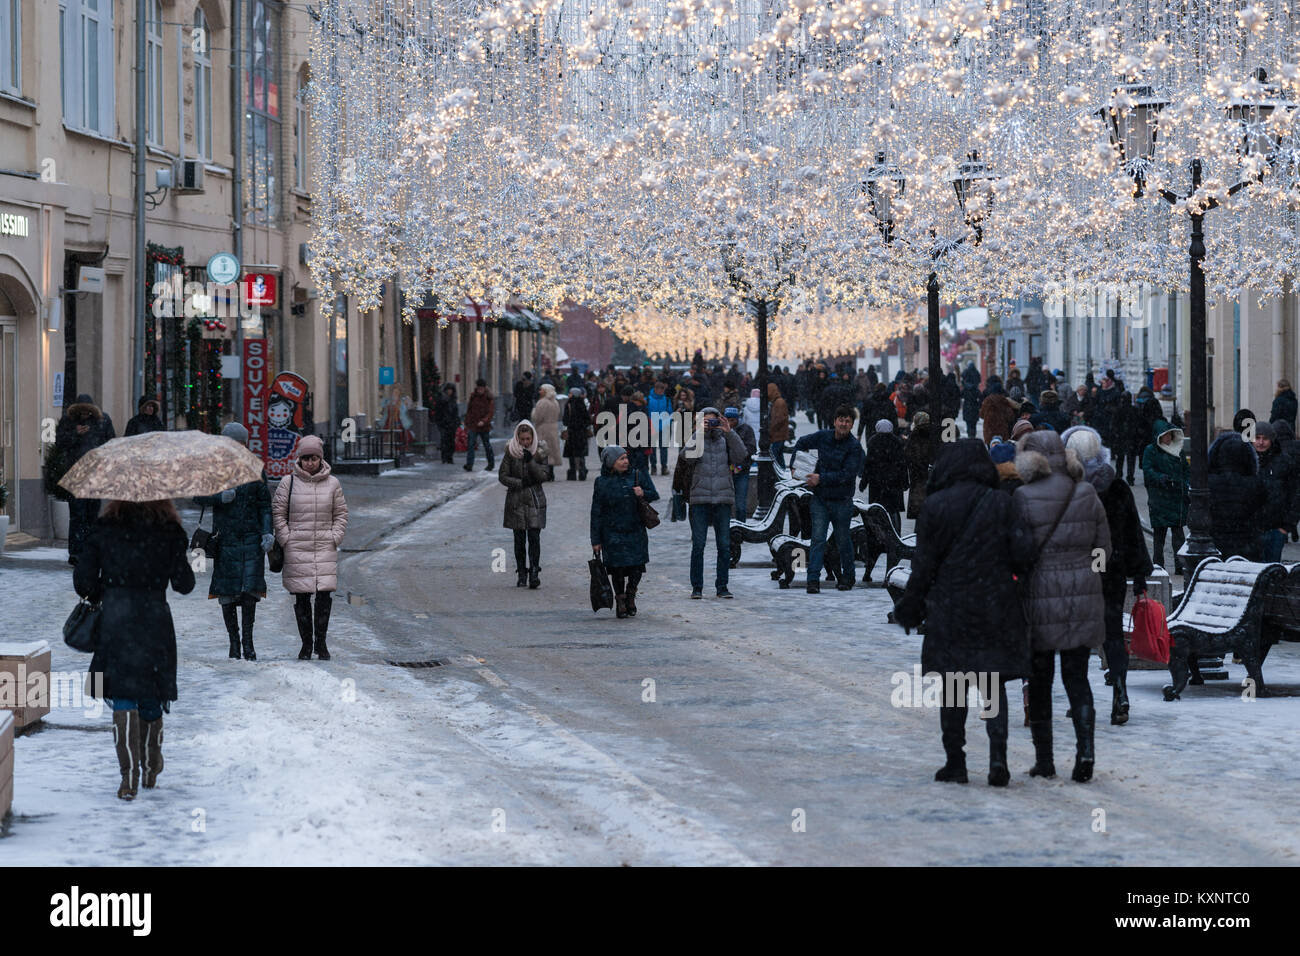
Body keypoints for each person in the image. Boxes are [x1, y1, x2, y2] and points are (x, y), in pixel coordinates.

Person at [895, 441, 1032, 785]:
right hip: (995, 605)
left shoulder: (936, 506)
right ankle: (998, 759)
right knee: (991, 683)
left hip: (951, 607)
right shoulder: (1002, 502)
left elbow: (923, 565)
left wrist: (911, 605)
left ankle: (955, 760)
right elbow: (1023, 555)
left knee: (954, 685)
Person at [75, 498, 195, 800]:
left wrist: (110, 585)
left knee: (122, 693)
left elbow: (83, 582)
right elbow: (184, 584)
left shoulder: (104, 529)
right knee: (152, 691)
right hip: (155, 621)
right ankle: (152, 763)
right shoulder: (170, 531)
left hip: (116, 621)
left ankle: (128, 777)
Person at [1013, 430, 1110, 782]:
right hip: (1082, 598)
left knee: (1039, 682)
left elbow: (1018, 554)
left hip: (1039, 600)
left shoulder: (1022, 496)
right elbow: (1104, 550)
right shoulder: (1086, 493)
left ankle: (1045, 760)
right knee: (1078, 678)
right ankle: (1086, 752)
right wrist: (1087, 576)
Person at [1064, 426, 1152, 728]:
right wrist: (1139, 571)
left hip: (1076, 574)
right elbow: (1133, 533)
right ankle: (1120, 693)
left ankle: (1079, 699)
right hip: (1110, 572)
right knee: (1113, 636)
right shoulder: (1116, 486)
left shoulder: (1067, 486)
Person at [193, 423, 274, 661]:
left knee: (250, 592)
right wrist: (219, 497)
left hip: (251, 538)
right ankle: (234, 644)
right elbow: (197, 495)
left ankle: (248, 643)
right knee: (227, 592)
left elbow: (264, 504)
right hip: (225, 538)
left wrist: (267, 532)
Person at [273, 435, 349, 660]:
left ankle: (321, 644)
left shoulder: (333, 483)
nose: (310, 463)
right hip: (298, 547)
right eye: (305, 458)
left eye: (314, 458)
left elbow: (341, 513)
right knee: (302, 597)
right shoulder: (289, 482)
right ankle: (306, 645)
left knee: (324, 596)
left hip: (324, 546)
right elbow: (278, 512)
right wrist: (286, 538)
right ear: (300, 459)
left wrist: (335, 537)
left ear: (320, 458)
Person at [673, 406, 747, 599]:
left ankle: (722, 586)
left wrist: (730, 433)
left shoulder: (725, 439)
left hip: (723, 499)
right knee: (698, 545)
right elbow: (686, 457)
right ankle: (697, 587)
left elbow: (741, 456)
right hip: (700, 498)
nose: (711, 424)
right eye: (707, 420)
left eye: (714, 420)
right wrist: (699, 432)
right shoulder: (695, 439)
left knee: (724, 545)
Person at [792, 406, 866, 593]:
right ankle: (813, 581)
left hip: (842, 500)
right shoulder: (823, 437)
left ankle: (847, 578)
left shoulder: (854, 447)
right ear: (834, 421)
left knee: (843, 540)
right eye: (841, 419)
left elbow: (847, 475)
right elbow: (801, 442)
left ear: (852, 425)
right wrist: (796, 467)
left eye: (847, 421)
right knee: (818, 539)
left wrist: (821, 478)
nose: (843, 424)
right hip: (821, 499)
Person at [590, 445, 659, 617]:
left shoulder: (637, 475)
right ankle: (620, 600)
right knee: (617, 569)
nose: (625, 461)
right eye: (621, 459)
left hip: (635, 530)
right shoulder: (601, 482)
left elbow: (653, 494)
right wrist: (596, 540)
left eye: (626, 457)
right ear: (610, 462)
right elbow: (596, 512)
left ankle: (631, 595)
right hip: (612, 533)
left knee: (636, 567)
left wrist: (643, 492)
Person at [56, 394, 117, 564]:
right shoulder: (68, 422)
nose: (84, 414)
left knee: (91, 514)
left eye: (87, 411)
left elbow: (111, 444)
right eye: (81, 412)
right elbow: (60, 443)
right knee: (77, 515)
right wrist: (75, 434)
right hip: (75, 474)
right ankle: (76, 553)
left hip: (95, 474)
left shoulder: (103, 421)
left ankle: (90, 551)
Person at [499, 420, 551, 588]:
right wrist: (520, 483)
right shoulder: (511, 452)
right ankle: (522, 572)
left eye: (528, 439)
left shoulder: (540, 452)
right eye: (522, 439)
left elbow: (544, 475)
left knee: (534, 538)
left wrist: (531, 462)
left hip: (535, 500)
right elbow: (503, 476)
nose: (526, 442)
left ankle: (534, 571)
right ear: (517, 438)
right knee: (519, 539)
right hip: (516, 501)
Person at [1208, 430, 1266, 561]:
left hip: (1216, 545)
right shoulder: (1254, 484)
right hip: (1247, 545)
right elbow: (1262, 513)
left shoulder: (1208, 483)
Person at [1142, 420, 1191, 574]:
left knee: (1178, 535)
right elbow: (1147, 470)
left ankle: (1180, 565)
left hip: (1176, 497)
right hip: (1160, 498)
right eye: (1165, 435)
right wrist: (1160, 478)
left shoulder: (1178, 449)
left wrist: (1187, 484)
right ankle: (1158, 565)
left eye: (1169, 434)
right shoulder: (1151, 450)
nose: (1168, 437)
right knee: (1159, 535)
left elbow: (1185, 470)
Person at [1254, 422, 1298, 562]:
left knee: (1272, 573)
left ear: (1272, 440)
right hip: (1251, 530)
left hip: (1276, 529)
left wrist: (1286, 526)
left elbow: (1295, 495)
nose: (1261, 442)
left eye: (1265, 438)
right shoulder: (1246, 461)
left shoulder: (1284, 462)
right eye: (1258, 438)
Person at [860, 419, 908, 532]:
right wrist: (905, 482)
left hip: (877, 483)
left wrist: (864, 483)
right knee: (893, 510)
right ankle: (896, 533)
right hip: (894, 483)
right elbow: (902, 464)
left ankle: (878, 533)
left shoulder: (873, 442)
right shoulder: (897, 442)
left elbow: (868, 465)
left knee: (877, 509)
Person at [725, 406, 757, 520]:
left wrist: (741, 464)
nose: (730, 422)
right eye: (727, 419)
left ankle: (741, 528)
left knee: (740, 504)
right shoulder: (721, 430)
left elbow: (751, 449)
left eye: (732, 420)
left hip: (741, 470)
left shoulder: (746, 429)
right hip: (726, 470)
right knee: (726, 504)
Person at [904, 412, 934, 521]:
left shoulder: (915, 434)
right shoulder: (935, 433)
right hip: (930, 476)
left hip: (917, 477)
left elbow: (909, 455)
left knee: (920, 514)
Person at [463, 379, 496, 472]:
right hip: (473, 424)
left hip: (484, 426)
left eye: (481, 388)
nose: (480, 390)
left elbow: (490, 412)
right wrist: (467, 422)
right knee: (470, 445)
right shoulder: (473, 396)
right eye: (478, 388)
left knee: (486, 445)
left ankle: (491, 463)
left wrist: (484, 421)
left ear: (484, 388)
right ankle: (469, 464)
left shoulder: (488, 398)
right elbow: (469, 410)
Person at [562, 387, 592, 480]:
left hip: (572, 433)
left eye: (570, 393)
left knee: (571, 454)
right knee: (581, 454)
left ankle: (572, 473)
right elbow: (587, 419)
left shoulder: (569, 404)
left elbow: (565, 420)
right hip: (581, 433)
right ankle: (582, 472)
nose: (569, 394)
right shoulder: (582, 404)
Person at [646, 379, 674, 475]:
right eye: (660, 389)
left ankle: (664, 467)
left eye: (663, 389)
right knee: (652, 449)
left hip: (664, 427)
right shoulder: (648, 399)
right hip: (652, 427)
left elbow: (670, 413)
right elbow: (645, 413)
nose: (661, 391)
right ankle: (653, 467)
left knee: (664, 448)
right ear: (655, 389)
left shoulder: (666, 400)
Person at [433, 383, 460, 464]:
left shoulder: (453, 400)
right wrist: (440, 421)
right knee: (444, 440)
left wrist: (456, 421)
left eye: (451, 390)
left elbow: (455, 412)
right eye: (448, 390)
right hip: (443, 423)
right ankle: (444, 457)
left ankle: (450, 457)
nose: (449, 391)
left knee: (451, 441)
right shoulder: (442, 399)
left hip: (452, 424)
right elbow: (438, 412)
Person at [766, 381, 790, 469]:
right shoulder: (777, 402)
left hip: (778, 435)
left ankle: (778, 474)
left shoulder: (778, 402)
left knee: (775, 457)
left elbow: (779, 419)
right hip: (779, 434)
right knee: (779, 457)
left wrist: (771, 429)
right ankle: (782, 474)